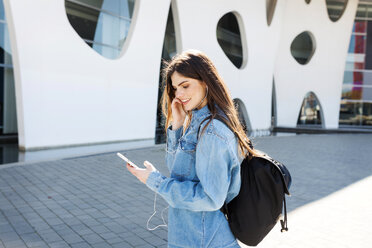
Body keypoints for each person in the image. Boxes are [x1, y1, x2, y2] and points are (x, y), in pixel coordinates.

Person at [126, 49, 259, 248]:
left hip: (204, 239)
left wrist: (155, 181)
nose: (178, 95)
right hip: (191, 236)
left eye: (185, 85)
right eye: (175, 88)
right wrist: (177, 126)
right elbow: (177, 171)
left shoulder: (213, 130)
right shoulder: (198, 122)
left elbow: (211, 198)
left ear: (205, 81)